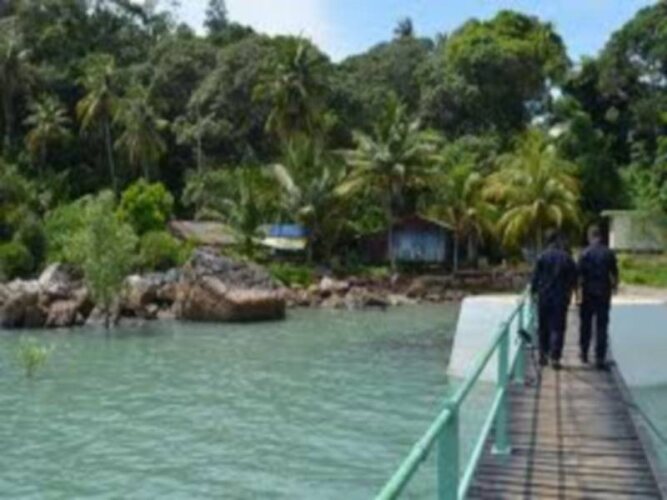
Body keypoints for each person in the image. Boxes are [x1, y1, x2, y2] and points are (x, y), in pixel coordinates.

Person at [531, 230, 578, 370]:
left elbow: (535, 278)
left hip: (544, 297)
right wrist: (574, 294)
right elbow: (574, 279)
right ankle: (555, 357)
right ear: (557, 240)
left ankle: (543, 355)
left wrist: (533, 293)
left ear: (547, 241)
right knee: (558, 328)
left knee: (543, 327)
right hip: (561, 297)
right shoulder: (566, 258)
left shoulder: (541, 257)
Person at [578, 225, 619, 370]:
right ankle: (599, 358)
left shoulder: (584, 253)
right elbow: (614, 273)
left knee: (586, 324)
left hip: (588, 293)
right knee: (601, 326)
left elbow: (579, 275)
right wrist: (614, 287)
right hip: (603, 293)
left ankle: (584, 353)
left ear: (590, 236)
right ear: (600, 236)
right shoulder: (608, 253)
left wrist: (577, 294)